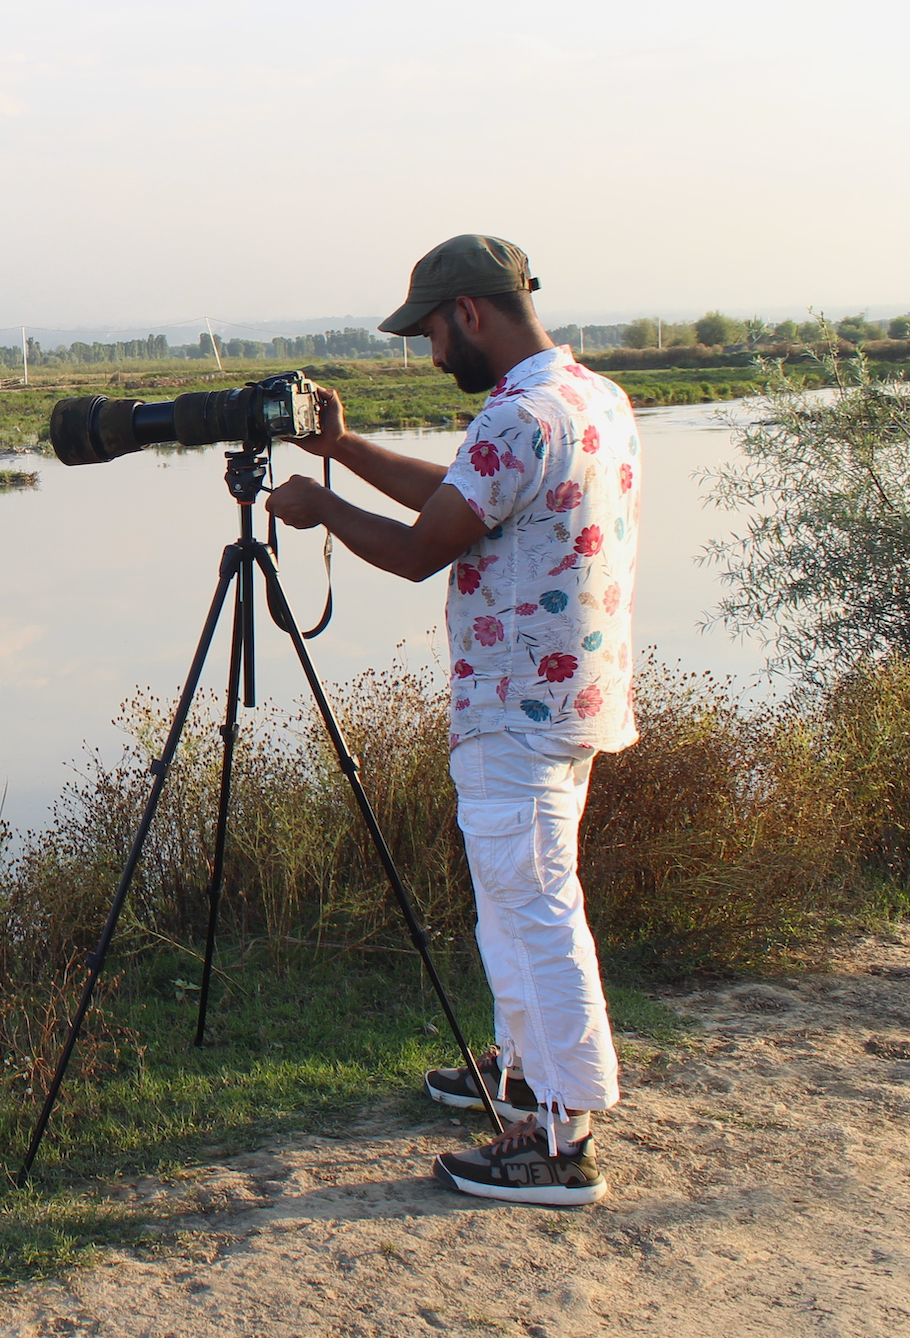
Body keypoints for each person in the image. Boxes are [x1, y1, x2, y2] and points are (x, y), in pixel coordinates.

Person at [265, 235, 640, 1207]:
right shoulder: (589, 399)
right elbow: (461, 498)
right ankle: (521, 1076)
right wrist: (342, 450)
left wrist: (320, 507)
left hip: (518, 705)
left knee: (533, 902)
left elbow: (420, 548)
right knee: (517, 893)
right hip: (565, 698)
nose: (431, 354)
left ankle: (559, 1139)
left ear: (469, 312)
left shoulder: (517, 416)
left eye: (432, 332)